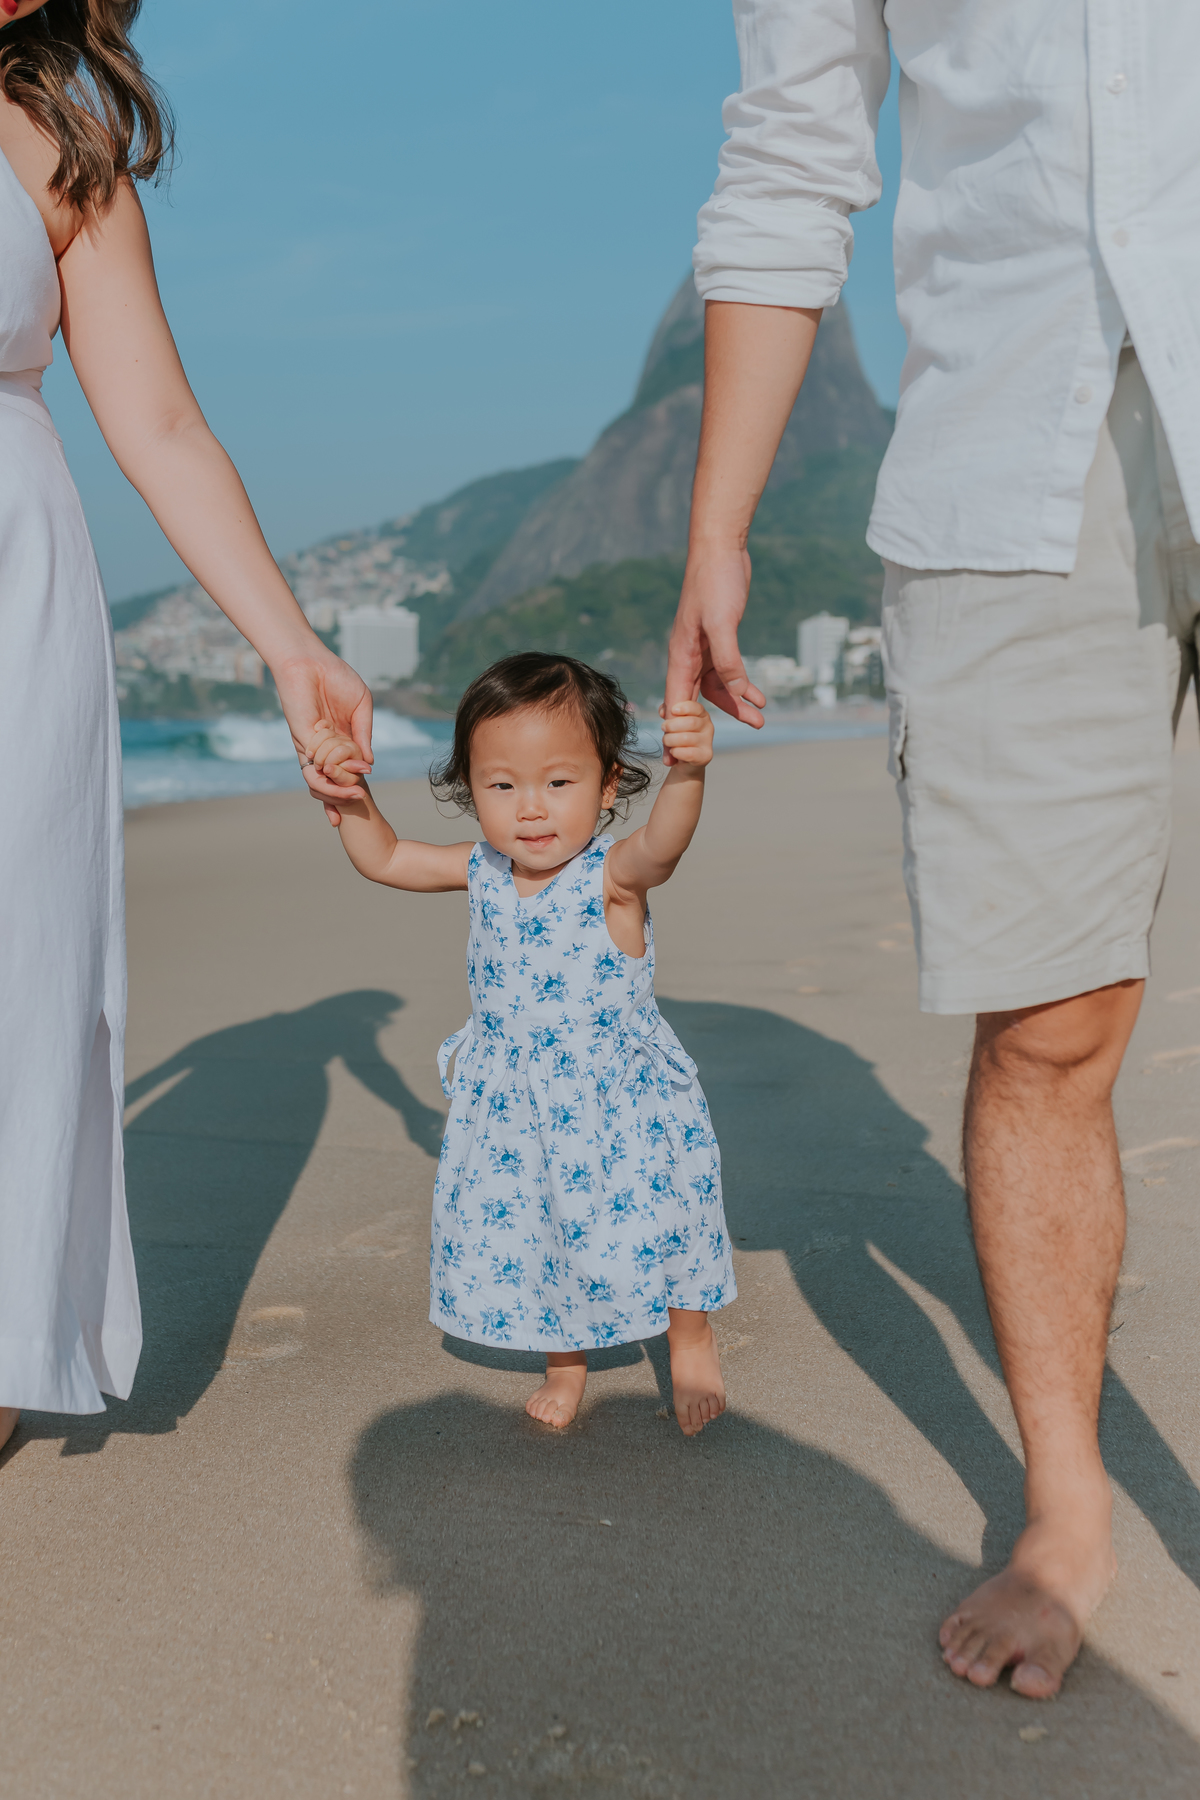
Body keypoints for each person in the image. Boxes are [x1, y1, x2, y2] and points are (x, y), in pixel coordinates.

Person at [667, 4, 1200, 1698]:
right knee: (1049, 1022)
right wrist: (717, 531)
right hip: (1017, 441)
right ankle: (1067, 1508)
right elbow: (790, 159)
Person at [0, 0, 372, 1453]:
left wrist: (292, 647)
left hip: (13, 587)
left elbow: (157, 424)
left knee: (19, 963)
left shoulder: (60, 144)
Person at [307, 652, 735, 1435]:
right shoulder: (481, 870)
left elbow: (663, 846)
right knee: (544, 1231)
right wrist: (351, 795)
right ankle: (564, 1361)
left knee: (662, 1217)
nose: (531, 809)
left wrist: (690, 772)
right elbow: (386, 857)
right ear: (470, 789)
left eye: (559, 782)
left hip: (616, 1100)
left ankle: (690, 1332)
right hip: (517, 1105)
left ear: (608, 785)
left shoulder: (612, 876)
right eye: (501, 786)